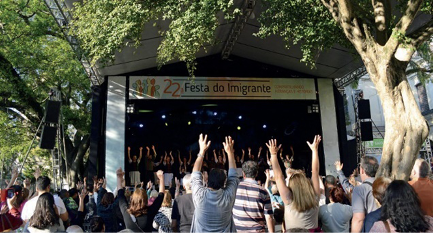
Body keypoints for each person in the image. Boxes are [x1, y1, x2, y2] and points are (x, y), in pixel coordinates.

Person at [267, 135, 322, 230]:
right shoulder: (315, 197)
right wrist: (315, 151)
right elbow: (315, 172)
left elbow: (279, 177)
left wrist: (273, 154)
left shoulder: (289, 200)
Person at [190, 134, 240, 232]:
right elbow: (233, 176)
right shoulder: (228, 196)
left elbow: (195, 173)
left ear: (207, 180)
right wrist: (230, 153)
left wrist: (201, 151)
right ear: (224, 183)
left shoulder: (200, 195)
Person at [118, 167, 165, 232]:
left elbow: (120, 196)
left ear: (132, 199)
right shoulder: (150, 212)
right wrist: (161, 178)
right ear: (145, 200)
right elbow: (161, 195)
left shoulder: (126, 212)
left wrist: (119, 178)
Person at [233, 160, 274, 233]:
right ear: (256, 174)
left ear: (243, 174)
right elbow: (269, 217)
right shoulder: (263, 191)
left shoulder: (236, 188)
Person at [350, 156, 379, 233]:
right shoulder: (386, 185)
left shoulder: (359, 190)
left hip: (371, 228)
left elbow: (358, 219)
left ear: (362, 170)